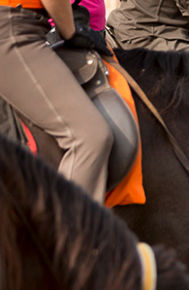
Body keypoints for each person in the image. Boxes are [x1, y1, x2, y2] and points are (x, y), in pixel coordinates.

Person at [0, 0, 113, 202]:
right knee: (90, 136)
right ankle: (68, 232)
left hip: (25, 26)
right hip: (13, 28)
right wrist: (71, 31)